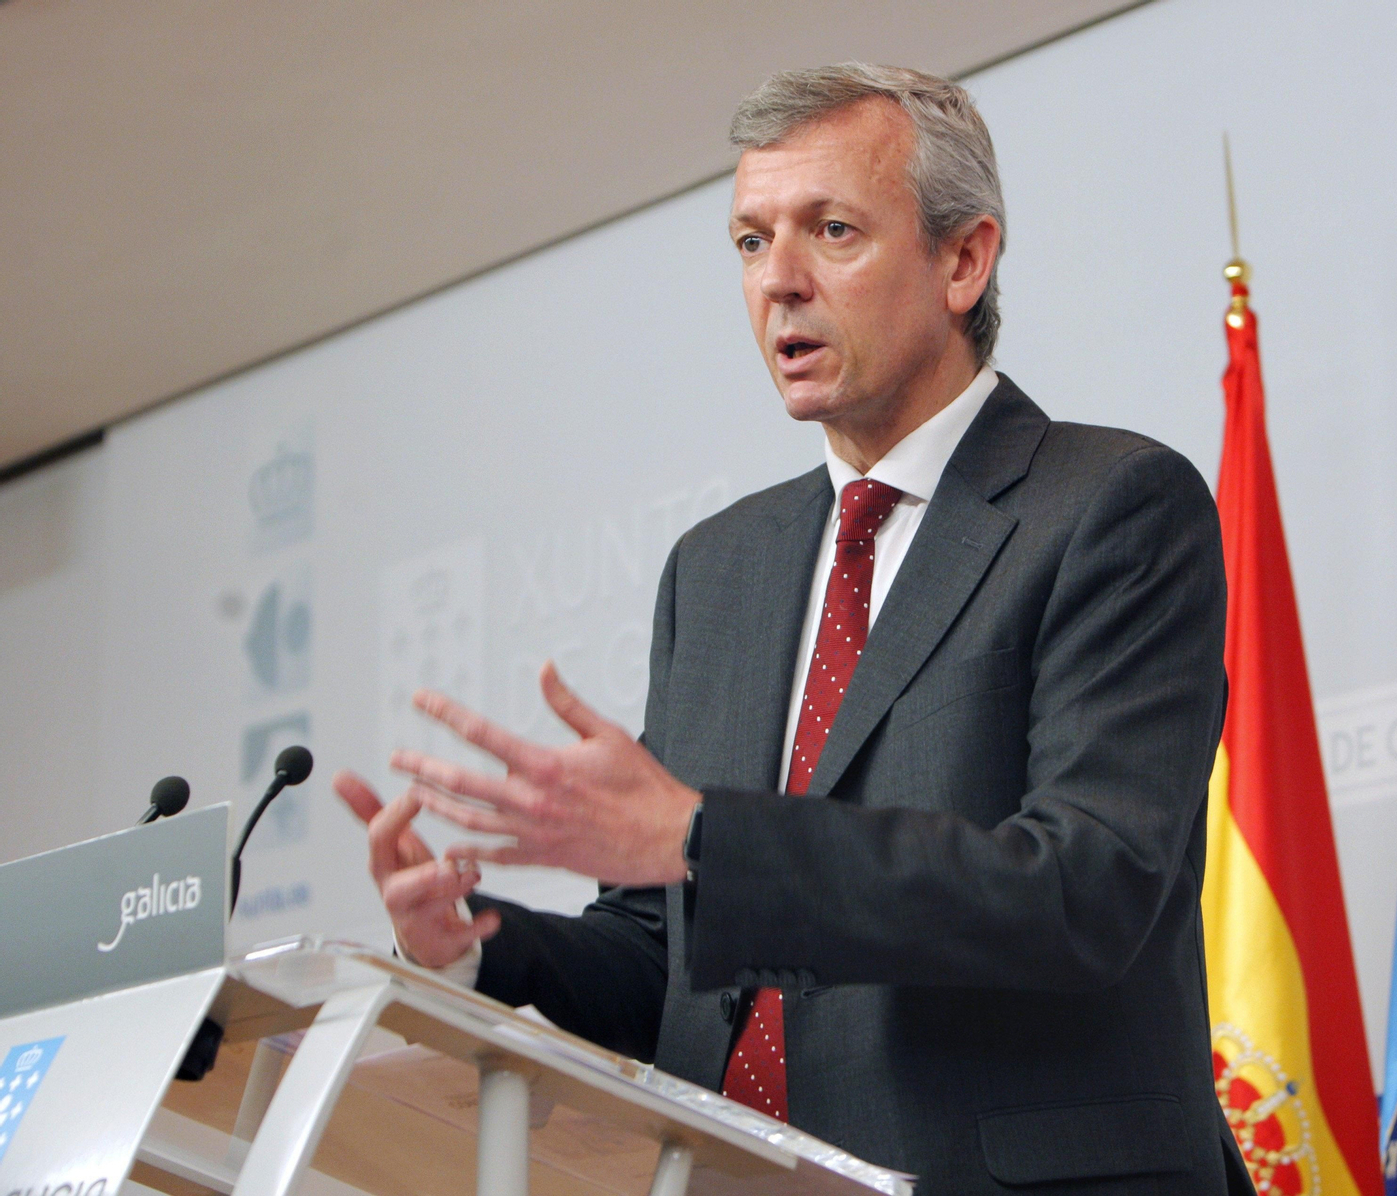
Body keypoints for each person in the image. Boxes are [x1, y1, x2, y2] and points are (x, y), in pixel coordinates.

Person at [336, 64, 1251, 1195]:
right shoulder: (717, 570)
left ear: (963, 260)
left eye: (830, 231)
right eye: (749, 242)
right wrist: (479, 942)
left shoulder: (1110, 505)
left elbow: (1084, 886)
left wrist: (704, 838)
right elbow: (674, 954)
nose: (779, 282)